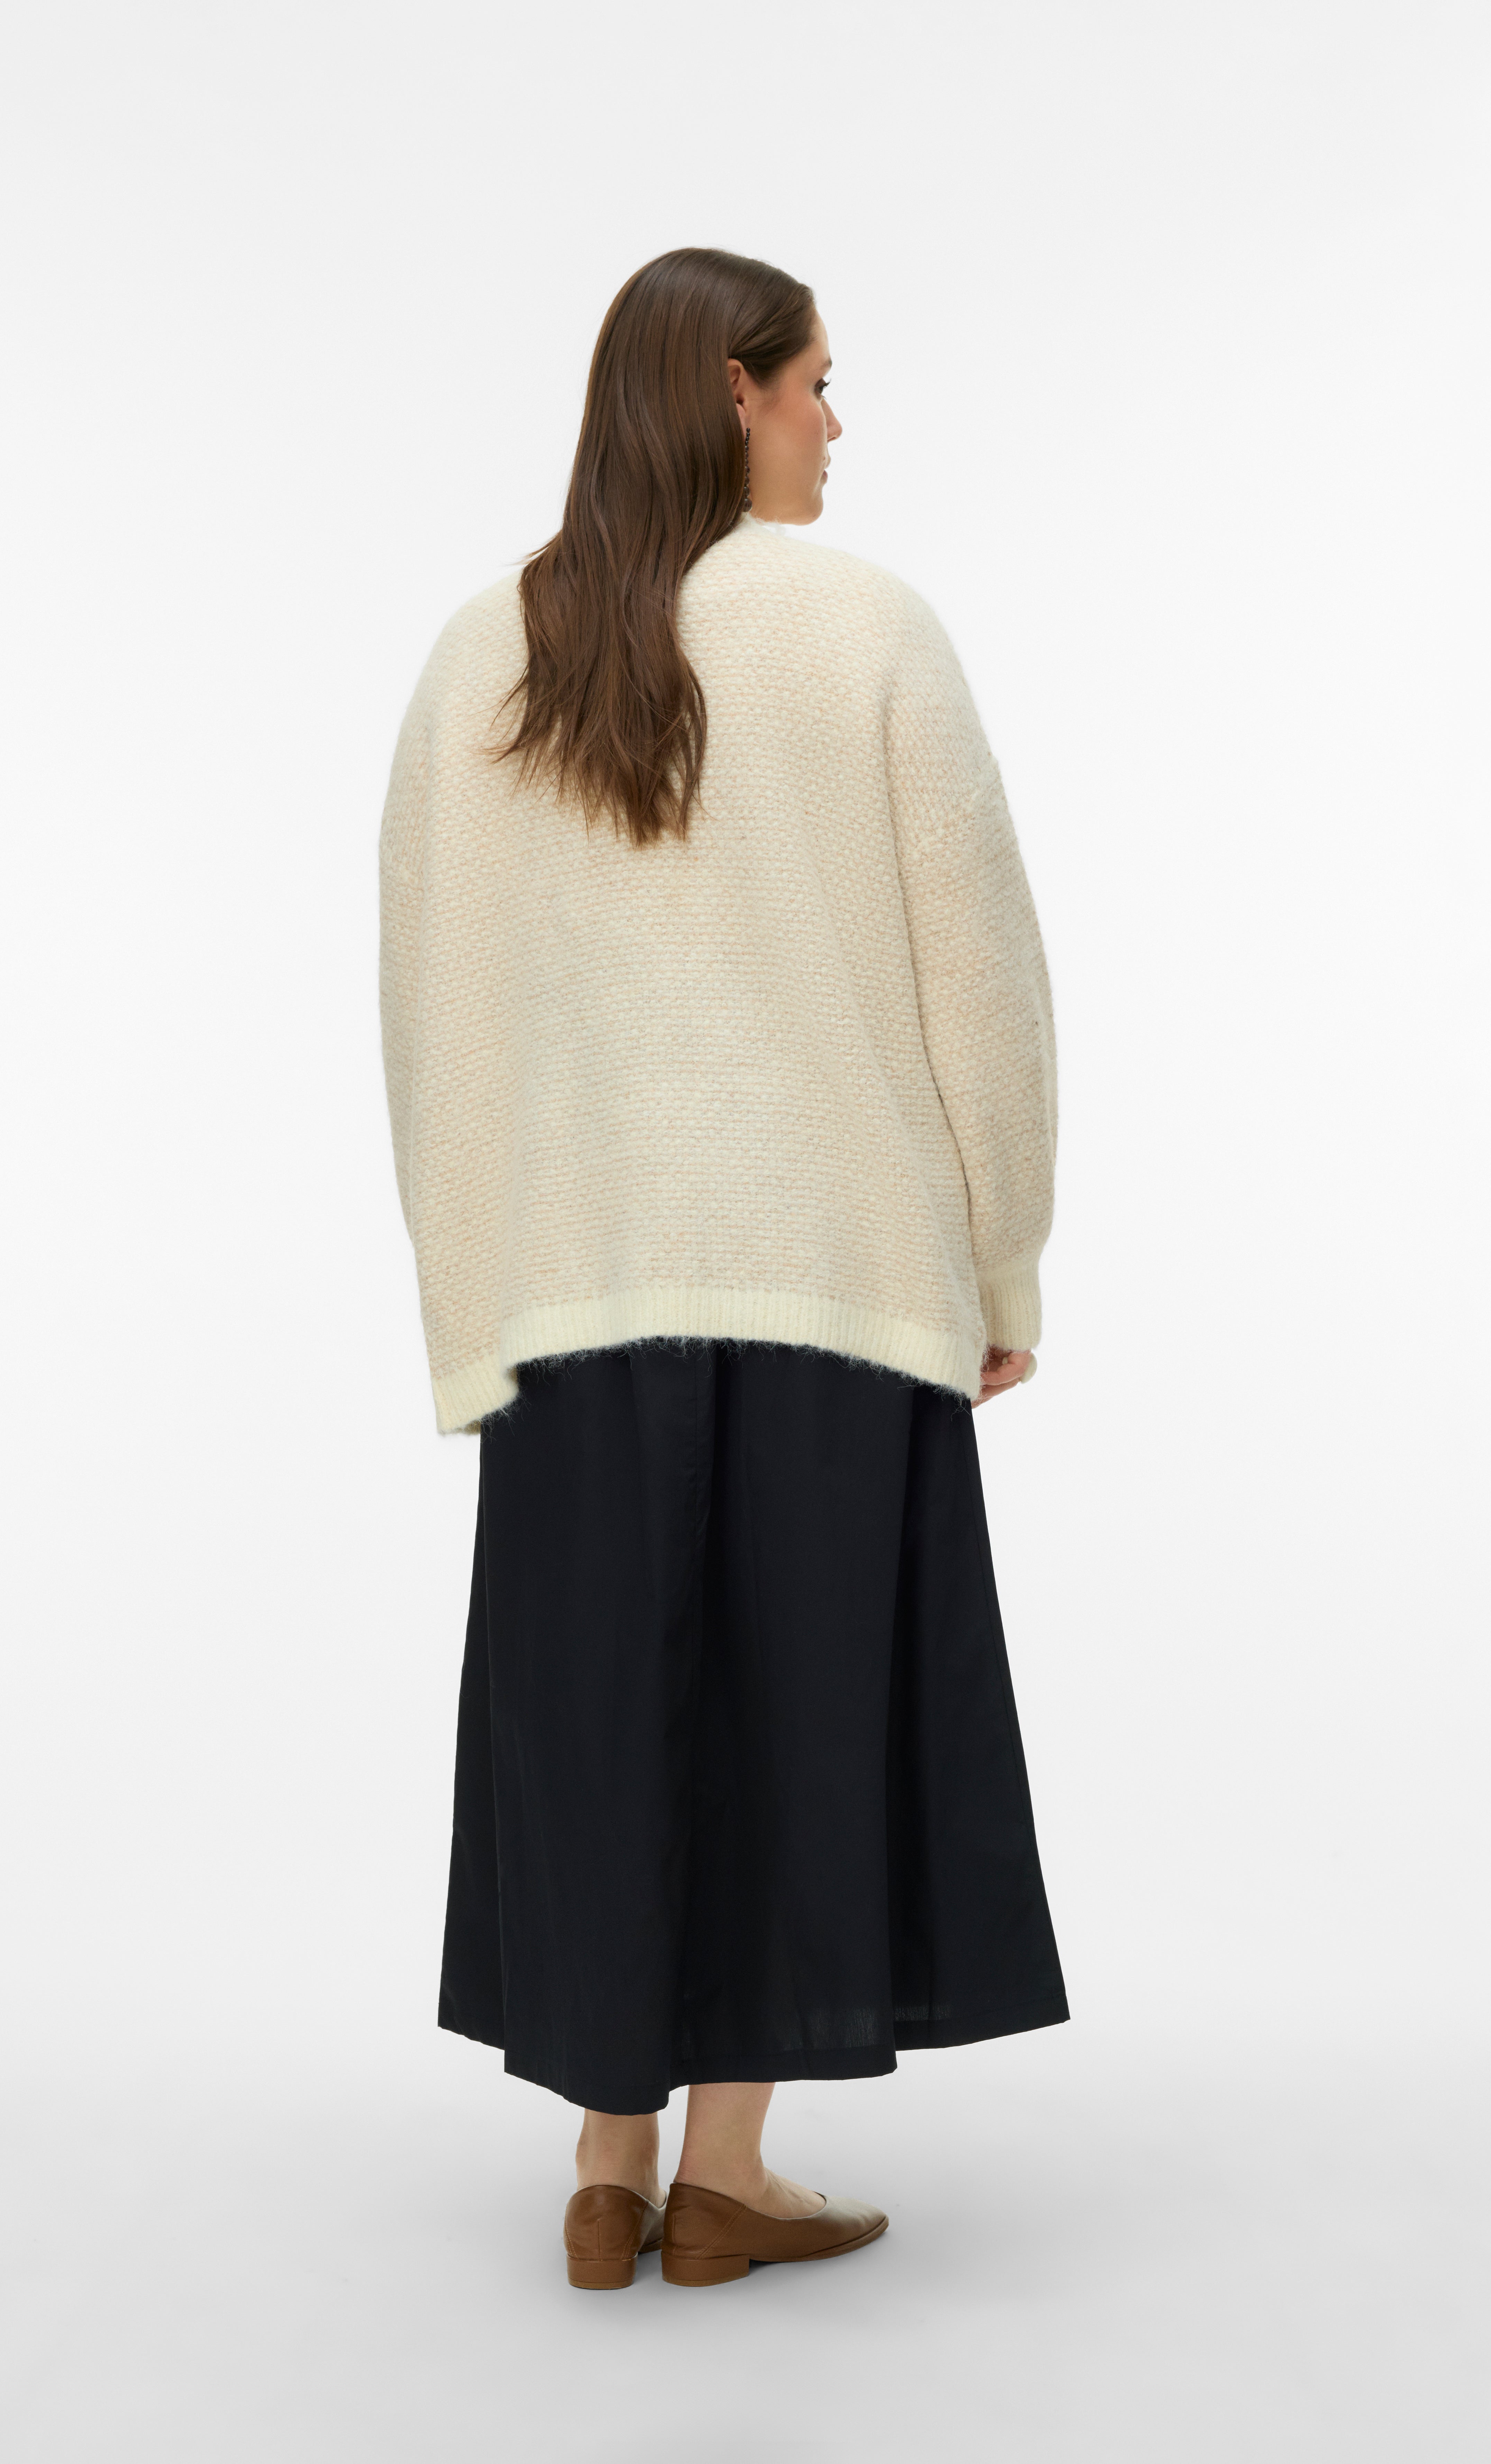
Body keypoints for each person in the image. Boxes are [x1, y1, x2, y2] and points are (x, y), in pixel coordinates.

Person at [378, 246, 1065, 2292]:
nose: (836, 425)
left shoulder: (487, 647)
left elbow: (429, 1006)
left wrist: (472, 1301)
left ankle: (608, 2169)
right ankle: (729, 2178)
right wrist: (1001, 1259)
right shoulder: (864, 631)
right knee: (798, 1718)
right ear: (734, 395)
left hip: (574, 1293)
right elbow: (984, 986)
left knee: (601, 1718)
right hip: (836, 1274)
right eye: (817, 384)